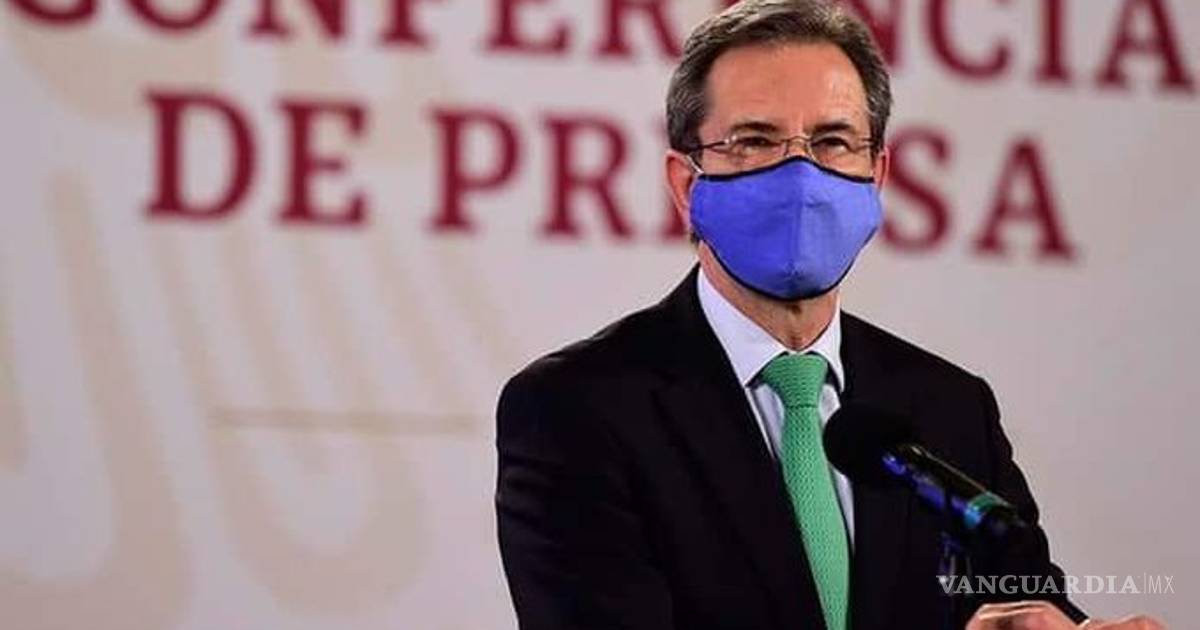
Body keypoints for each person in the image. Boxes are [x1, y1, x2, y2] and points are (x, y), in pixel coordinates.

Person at [495, 1, 1163, 629]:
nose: (801, 174)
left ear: (877, 174)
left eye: (833, 140)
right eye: (755, 140)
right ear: (685, 183)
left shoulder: (950, 412)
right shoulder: (574, 410)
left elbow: (1028, 605)